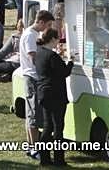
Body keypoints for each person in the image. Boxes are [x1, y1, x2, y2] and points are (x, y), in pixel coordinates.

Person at [19, 9, 55, 160]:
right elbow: (34, 58)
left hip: (32, 77)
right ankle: (35, 149)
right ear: (40, 22)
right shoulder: (29, 36)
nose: (47, 28)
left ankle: (30, 146)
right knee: (33, 115)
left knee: (31, 115)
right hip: (32, 77)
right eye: (47, 24)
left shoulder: (32, 34)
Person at [35, 28, 74, 167]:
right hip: (56, 94)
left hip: (44, 93)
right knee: (58, 127)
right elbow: (64, 72)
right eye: (58, 39)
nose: (59, 42)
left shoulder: (39, 53)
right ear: (52, 39)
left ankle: (44, 158)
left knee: (47, 126)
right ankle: (59, 159)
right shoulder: (52, 56)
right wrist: (71, 61)